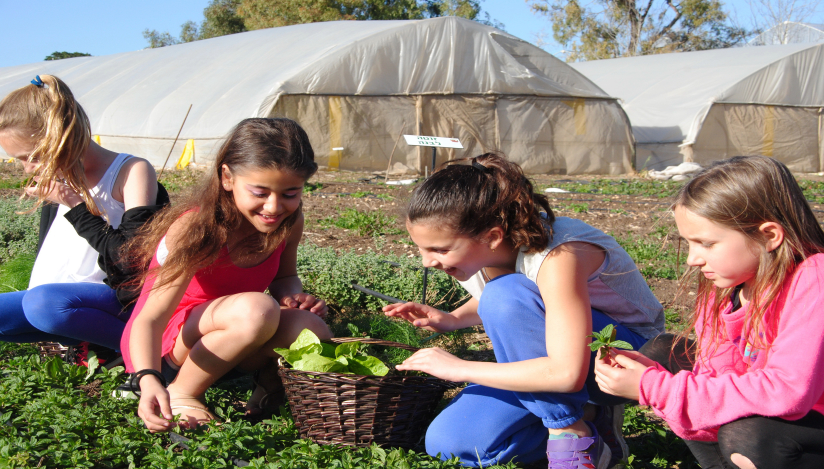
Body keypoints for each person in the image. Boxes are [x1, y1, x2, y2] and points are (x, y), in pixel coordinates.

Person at [383, 153, 665, 469]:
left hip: (625, 358)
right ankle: (593, 420)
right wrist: (453, 319)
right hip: (560, 358)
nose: (427, 262)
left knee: (505, 295)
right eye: (421, 248)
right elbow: (518, 301)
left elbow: (566, 372)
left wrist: (460, 368)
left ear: (491, 236)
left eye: (439, 249)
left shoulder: (559, 256)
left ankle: (569, 430)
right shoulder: (480, 254)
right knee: (452, 444)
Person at [594, 156, 824, 469]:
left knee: (749, 435)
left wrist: (656, 388)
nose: (692, 259)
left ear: (769, 235)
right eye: (688, 243)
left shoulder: (813, 278)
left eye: (706, 243)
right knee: (665, 353)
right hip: (778, 414)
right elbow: (718, 379)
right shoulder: (725, 289)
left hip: (808, 416)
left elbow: (788, 390)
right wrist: (661, 387)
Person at [121, 117, 331, 432]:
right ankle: (182, 392)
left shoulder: (289, 221)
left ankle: (265, 392)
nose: (273, 206)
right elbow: (150, 318)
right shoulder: (196, 227)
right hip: (166, 345)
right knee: (257, 310)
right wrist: (147, 377)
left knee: (311, 328)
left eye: (290, 193)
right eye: (259, 192)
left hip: (235, 333)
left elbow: (284, 278)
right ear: (227, 177)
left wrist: (293, 297)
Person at [0, 74, 166, 351]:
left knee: (44, 305)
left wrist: (76, 205)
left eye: (32, 157)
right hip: (51, 300)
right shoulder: (60, 174)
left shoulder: (130, 171)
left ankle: (151, 353)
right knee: (39, 303)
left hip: (108, 299)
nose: (28, 168)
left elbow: (130, 259)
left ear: (61, 136)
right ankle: (91, 344)